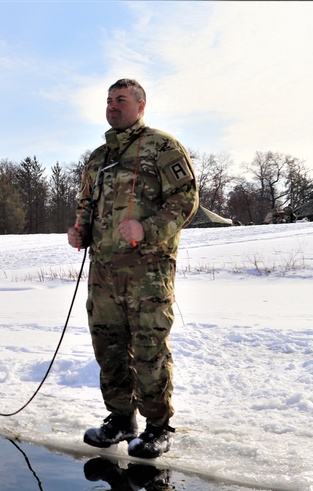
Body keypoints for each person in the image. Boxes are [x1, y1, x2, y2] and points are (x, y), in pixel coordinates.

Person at [68, 78, 198, 459]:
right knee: (108, 346)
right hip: (104, 271)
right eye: (108, 100)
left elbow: (186, 199)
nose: (112, 106)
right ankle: (120, 419)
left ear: (140, 105)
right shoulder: (98, 157)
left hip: (147, 271)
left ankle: (158, 427)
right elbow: (86, 204)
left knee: (148, 346)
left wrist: (148, 228)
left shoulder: (162, 146)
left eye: (120, 99)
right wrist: (81, 231)